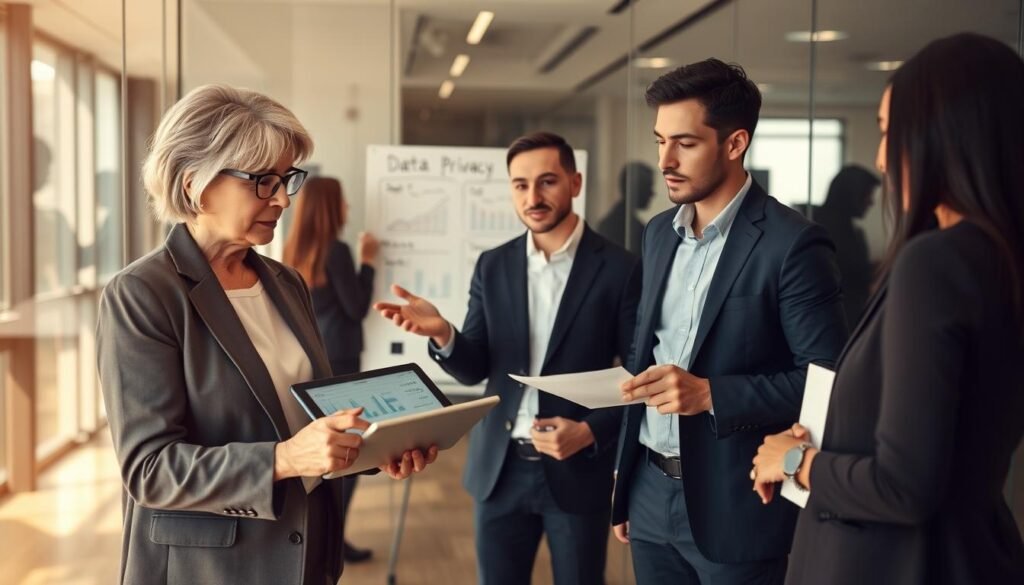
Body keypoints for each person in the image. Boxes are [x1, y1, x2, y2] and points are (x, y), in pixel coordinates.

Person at [96, 84, 436, 585]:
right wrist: (285, 458)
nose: (281, 198)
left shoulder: (284, 282)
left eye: (286, 179)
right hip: (209, 567)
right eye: (260, 181)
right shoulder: (143, 293)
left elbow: (303, 419)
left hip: (304, 554)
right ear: (194, 183)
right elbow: (151, 469)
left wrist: (376, 450)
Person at [752, 32, 1024, 585]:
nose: (879, 157)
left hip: (895, 563)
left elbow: (904, 485)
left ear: (941, 134)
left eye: (886, 131)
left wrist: (791, 462)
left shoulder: (937, 262)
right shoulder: (998, 258)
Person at [610, 59, 848, 585]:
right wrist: (624, 482)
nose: (665, 160)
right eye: (659, 141)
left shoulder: (793, 244)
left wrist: (712, 394)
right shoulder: (657, 234)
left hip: (737, 503)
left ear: (735, 143)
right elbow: (643, 355)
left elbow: (826, 379)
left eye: (685, 143)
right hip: (649, 491)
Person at [375, 131, 641, 585]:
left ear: (575, 183)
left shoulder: (621, 268)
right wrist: (443, 334)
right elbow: (478, 365)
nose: (532, 197)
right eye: (520, 185)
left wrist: (590, 432)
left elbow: (639, 374)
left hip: (578, 469)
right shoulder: (493, 265)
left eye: (547, 182)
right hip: (500, 470)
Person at [283, 176, 379, 563]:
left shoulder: (292, 250)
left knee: (326, 451)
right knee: (348, 455)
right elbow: (356, 307)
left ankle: (324, 539)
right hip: (342, 360)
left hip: (315, 361)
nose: (348, 210)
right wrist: (369, 263)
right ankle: (334, 541)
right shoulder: (336, 251)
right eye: (343, 202)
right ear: (329, 208)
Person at [812, 165, 879, 326]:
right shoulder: (820, 228)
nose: (871, 202)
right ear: (852, 193)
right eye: (867, 194)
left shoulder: (852, 231)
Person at [597, 161, 657, 252]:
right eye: (649, 186)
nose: (652, 193)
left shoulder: (613, 222)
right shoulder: (624, 226)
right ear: (637, 189)